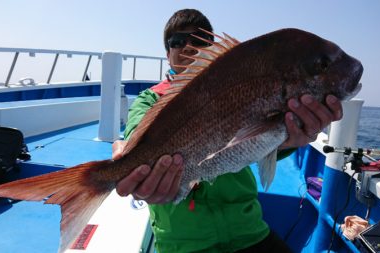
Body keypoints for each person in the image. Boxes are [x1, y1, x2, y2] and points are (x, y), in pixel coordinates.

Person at [113, 9, 343, 253]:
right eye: (178, 42)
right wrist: (128, 159)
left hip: (248, 231)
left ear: (214, 51)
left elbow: (260, 140)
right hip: (183, 243)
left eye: (199, 41)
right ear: (168, 54)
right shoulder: (150, 101)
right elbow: (137, 133)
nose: (189, 47)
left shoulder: (239, 86)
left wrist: (290, 140)